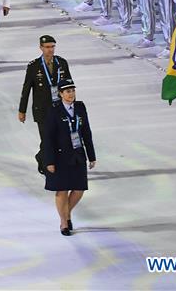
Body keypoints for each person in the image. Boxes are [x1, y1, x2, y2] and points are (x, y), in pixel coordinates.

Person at [43, 79, 96, 236]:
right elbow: (48, 138)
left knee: (79, 188)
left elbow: (86, 132)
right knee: (62, 190)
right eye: (67, 91)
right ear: (60, 94)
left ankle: (66, 213)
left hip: (78, 155)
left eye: (72, 90)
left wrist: (91, 155)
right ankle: (64, 222)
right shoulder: (54, 110)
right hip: (60, 157)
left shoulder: (80, 107)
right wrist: (49, 161)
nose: (71, 94)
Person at [19, 35, 73, 174]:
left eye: (52, 47)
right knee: (47, 138)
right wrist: (22, 110)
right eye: (47, 47)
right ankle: (45, 164)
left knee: (59, 137)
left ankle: (41, 156)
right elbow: (26, 89)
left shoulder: (62, 63)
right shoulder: (34, 66)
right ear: (41, 48)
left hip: (59, 108)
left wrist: (72, 105)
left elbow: (69, 86)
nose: (50, 50)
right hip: (42, 109)